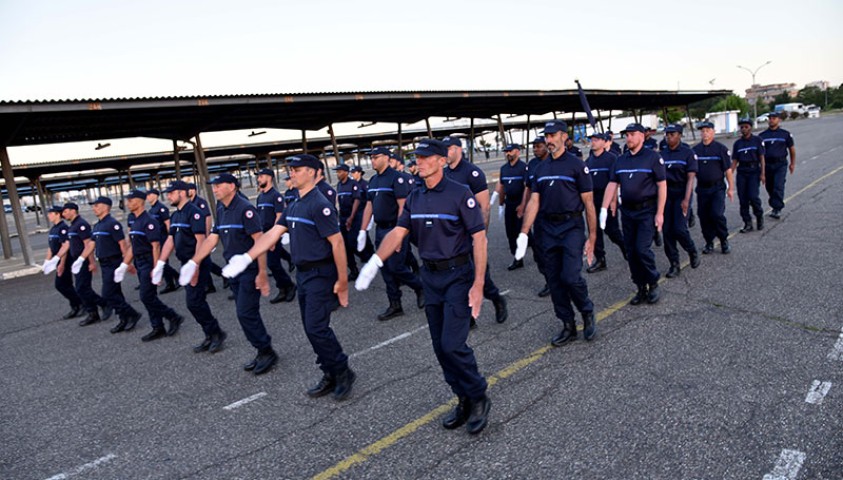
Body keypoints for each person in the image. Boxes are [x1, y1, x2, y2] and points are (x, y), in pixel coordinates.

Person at [355, 139, 491, 434]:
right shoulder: (416, 196)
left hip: (457, 275)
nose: (420, 161)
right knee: (440, 349)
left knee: (453, 344)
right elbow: (398, 232)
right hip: (431, 278)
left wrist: (478, 284)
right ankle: (463, 397)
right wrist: (375, 261)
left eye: (427, 157)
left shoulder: (460, 193)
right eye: (417, 157)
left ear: (442, 161)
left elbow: (479, 239)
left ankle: (478, 394)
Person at [224, 154, 355, 401]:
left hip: (320, 272)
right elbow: (274, 232)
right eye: (291, 169)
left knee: (317, 327)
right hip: (304, 274)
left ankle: (343, 371)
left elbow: (337, 243)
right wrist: (247, 257)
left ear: (314, 173)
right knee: (310, 328)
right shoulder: (294, 202)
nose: (291, 173)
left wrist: (343, 280)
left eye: (297, 169)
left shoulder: (319, 203)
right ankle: (329, 371)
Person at [181, 173, 279, 375]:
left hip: (248, 270)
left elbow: (260, 242)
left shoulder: (245, 209)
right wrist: (194, 262)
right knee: (245, 314)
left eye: (218, 185)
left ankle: (266, 351)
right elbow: (212, 239)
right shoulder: (221, 209)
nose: (214, 189)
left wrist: (262, 273)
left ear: (232, 186)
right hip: (232, 270)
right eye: (213, 186)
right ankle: (262, 350)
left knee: (246, 313)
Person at [515, 120, 597, 345]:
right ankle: (568, 324)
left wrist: (592, 237)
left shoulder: (576, 165)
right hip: (546, 228)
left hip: (571, 226)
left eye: (552, 136)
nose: (548, 140)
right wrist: (524, 233)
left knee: (570, 277)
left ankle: (587, 311)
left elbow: (588, 203)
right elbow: (534, 200)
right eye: (546, 137)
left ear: (563, 136)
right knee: (554, 280)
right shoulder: (540, 168)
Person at [441, 136, 508, 324]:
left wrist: (481, 237)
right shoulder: (444, 173)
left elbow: (484, 207)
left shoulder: (472, 173)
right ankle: (468, 317)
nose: (445, 152)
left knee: (480, 276)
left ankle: (497, 299)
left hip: (471, 234)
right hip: (454, 237)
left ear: (458, 149)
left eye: (448, 148)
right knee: (459, 277)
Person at [155, 181, 227, 353]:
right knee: (194, 303)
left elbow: (200, 241)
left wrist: (195, 268)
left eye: (171, 193)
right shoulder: (175, 215)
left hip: (197, 262)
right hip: (185, 263)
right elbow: (170, 240)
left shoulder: (194, 212)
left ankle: (216, 333)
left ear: (181, 193)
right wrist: (160, 264)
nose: (168, 196)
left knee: (194, 302)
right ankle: (210, 334)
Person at [600, 123, 667, 305]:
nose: (628, 138)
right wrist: (604, 209)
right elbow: (612, 184)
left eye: (632, 134)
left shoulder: (653, 157)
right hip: (628, 212)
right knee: (631, 251)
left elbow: (662, 185)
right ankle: (640, 287)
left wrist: (660, 213)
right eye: (626, 135)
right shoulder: (620, 160)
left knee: (642, 249)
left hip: (647, 211)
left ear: (642, 136)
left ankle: (652, 282)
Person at [357, 146, 425, 321]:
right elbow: (369, 206)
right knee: (385, 268)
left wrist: (399, 236)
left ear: (386, 158)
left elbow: (403, 207)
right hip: (380, 229)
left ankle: (420, 287)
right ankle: (395, 304)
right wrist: (363, 230)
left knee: (396, 267)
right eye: (370, 157)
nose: (372, 160)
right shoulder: (372, 181)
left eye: (375, 157)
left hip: (395, 228)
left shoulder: (397, 178)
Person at [118, 190, 183, 341]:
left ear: (140, 201)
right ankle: (157, 326)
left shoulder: (149, 220)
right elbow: (133, 246)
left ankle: (173, 316)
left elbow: (156, 247)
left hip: (148, 260)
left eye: (131, 200)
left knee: (146, 296)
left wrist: (156, 269)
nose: (128, 203)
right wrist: (124, 264)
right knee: (149, 296)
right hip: (139, 261)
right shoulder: (134, 220)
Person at [78, 196, 143, 334]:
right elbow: (91, 244)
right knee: (116, 292)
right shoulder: (98, 225)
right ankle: (123, 319)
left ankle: (132, 314)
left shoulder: (112, 224)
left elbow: (122, 244)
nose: (93, 208)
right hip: (104, 263)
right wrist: (81, 258)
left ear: (105, 207)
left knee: (107, 294)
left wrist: (127, 263)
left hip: (113, 262)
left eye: (96, 205)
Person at [59, 202, 111, 326]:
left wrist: (91, 262)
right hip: (77, 261)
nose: (64, 214)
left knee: (82, 288)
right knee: (81, 288)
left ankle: (102, 304)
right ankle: (93, 313)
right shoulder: (72, 225)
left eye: (66, 211)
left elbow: (89, 244)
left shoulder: (81, 224)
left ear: (73, 211)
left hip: (84, 261)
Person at [660, 124, 700, 278]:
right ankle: (674, 264)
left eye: (672, 134)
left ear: (680, 135)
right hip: (666, 195)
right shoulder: (662, 154)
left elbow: (690, 178)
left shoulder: (687, 153)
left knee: (679, 229)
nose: (669, 137)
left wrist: (686, 200)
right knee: (667, 232)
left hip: (681, 193)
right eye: (667, 134)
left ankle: (691, 251)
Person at [584, 132, 626, 273]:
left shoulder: (611, 158)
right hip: (593, 200)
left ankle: (627, 250)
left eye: (596, 140)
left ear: (604, 142)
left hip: (607, 199)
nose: (593, 142)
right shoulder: (588, 161)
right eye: (592, 140)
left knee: (612, 231)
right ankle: (601, 260)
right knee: (594, 231)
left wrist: (613, 201)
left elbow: (615, 182)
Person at [255, 168, 297, 304]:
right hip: (263, 235)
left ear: (269, 178)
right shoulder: (261, 196)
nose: (258, 179)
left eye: (261, 176)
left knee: (273, 263)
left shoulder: (276, 196)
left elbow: (279, 217)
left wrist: (273, 238)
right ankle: (283, 288)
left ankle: (289, 286)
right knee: (271, 264)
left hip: (273, 234)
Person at [693, 121, 734, 254]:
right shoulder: (695, 150)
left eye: (707, 130)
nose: (705, 133)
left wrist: (731, 188)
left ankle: (723, 240)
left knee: (716, 214)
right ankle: (709, 241)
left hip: (717, 188)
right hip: (702, 189)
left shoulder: (720, 149)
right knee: (704, 216)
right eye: (702, 131)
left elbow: (728, 171)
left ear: (713, 132)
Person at [41, 205, 83, 319]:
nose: (48, 215)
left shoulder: (63, 228)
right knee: (66, 285)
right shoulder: (53, 228)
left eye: (51, 213)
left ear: (57, 214)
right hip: (57, 260)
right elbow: (51, 247)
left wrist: (61, 264)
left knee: (61, 285)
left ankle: (80, 303)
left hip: (64, 260)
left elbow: (65, 246)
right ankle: (76, 305)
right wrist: (46, 261)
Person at [523, 137, 550, 297]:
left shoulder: (554, 162)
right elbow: (528, 188)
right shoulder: (532, 165)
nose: (535, 149)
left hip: (553, 213)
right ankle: (549, 280)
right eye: (533, 147)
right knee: (539, 251)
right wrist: (523, 206)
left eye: (538, 146)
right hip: (538, 215)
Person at [494, 143, 528, 269]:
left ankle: (522, 256)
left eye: (510, 151)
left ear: (518, 152)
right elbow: (502, 187)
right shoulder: (504, 169)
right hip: (509, 203)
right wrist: (501, 204)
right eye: (506, 151)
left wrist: (523, 205)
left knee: (521, 231)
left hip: (520, 202)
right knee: (510, 232)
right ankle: (517, 257)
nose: (508, 153)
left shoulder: (524, 168)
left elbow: (527, 188)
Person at [759, 111, 796, 219]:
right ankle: (774, 203)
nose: (771, 120)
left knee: (778, 186)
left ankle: (777, 208)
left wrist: (792, 163)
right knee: (770, 187)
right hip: (767, 165)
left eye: (774, 118)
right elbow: (760, 154)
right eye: (770, 118)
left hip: (780, 164)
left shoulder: (785, 134)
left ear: (779, 120)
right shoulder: (762, 136)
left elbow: (792, 149)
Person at [732, 118, 766, 233]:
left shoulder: (757, 140)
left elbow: (761, 158)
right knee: (743, 199)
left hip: (754, 171)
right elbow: (735, 160)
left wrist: (763, 174)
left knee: (753, 196)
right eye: (742, 127)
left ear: (750, 127)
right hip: (742, 171)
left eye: (746, 127)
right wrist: (730, 174)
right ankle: (747, 223)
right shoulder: (738, 143)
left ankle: (759, 216)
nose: (744, 129)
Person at [187, 183, 222, 292]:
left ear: (194, 190)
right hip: (194, 235)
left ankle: (215, 281)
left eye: (189, 190)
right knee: (203, 260)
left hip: (202, 234)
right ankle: (215, 281)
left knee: (203, 260)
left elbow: (207, 218)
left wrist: (207, 234)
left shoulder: (200, 202)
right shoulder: (190, 204)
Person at [334, 163, 364, 280]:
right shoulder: (339, 185)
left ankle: (369, 257)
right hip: (343, 217)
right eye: (337, 172)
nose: (338, 174)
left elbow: (357, 200)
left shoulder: (353, 184)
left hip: (354, 217)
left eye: (340, 171)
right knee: (345, 246)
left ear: (346, 172)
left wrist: (351, 217)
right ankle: (353, 269)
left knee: (352, 243)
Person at [350, 166, 375, 261]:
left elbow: (369, 199)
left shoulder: (365, 184)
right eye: (351, 172)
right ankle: (365, 253)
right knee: (358, 233)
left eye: (354, 172)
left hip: (364, 211)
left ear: (359, 173)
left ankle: (370, 252)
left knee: (363, 232)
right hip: (355, 212)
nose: (352, 174)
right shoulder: (352, 185)